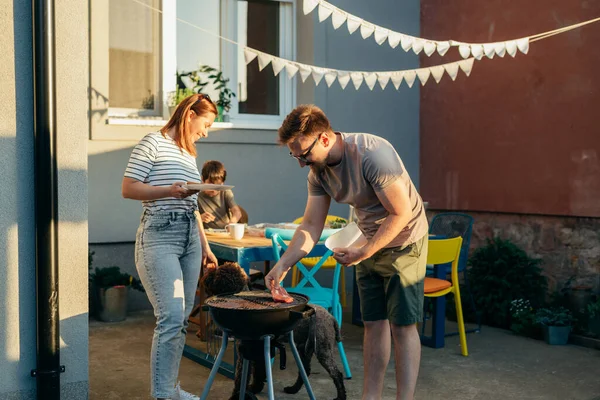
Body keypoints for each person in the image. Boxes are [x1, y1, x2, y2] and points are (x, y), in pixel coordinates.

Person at [264, 105, 429, 400]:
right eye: (295, 156)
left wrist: (364, 252)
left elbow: (400, 213)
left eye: (303, 154)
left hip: (404, 241)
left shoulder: (373, 155)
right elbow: (311, 225)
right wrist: (283, 264)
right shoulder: (318, 172)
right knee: (373, 323)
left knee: (402, 326)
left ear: (325, 139)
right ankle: (370, 396)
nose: (301, 163)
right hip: (366, 240)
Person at [122, 93, 219, 400]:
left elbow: (191, 204)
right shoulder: (152, 143)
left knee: (181, 321)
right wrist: (170, 191)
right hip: (159, 235)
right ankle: (163, 395)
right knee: (171, 317)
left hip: (190, 237)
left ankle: (171, 389)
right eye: (206, 123)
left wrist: (205, 247)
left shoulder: (189, 153)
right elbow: (128, 188)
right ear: (190, 114)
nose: (206, 131)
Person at [197, 160, 242, 229]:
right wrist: (200, 218)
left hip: (224, 232)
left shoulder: (225, 192)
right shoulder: (197, 195)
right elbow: (190, 217)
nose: (214, 190)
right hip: (207, 234)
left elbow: (237, 212)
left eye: (218, 186)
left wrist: (232, 223)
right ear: (202, 179)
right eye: (211, 186)